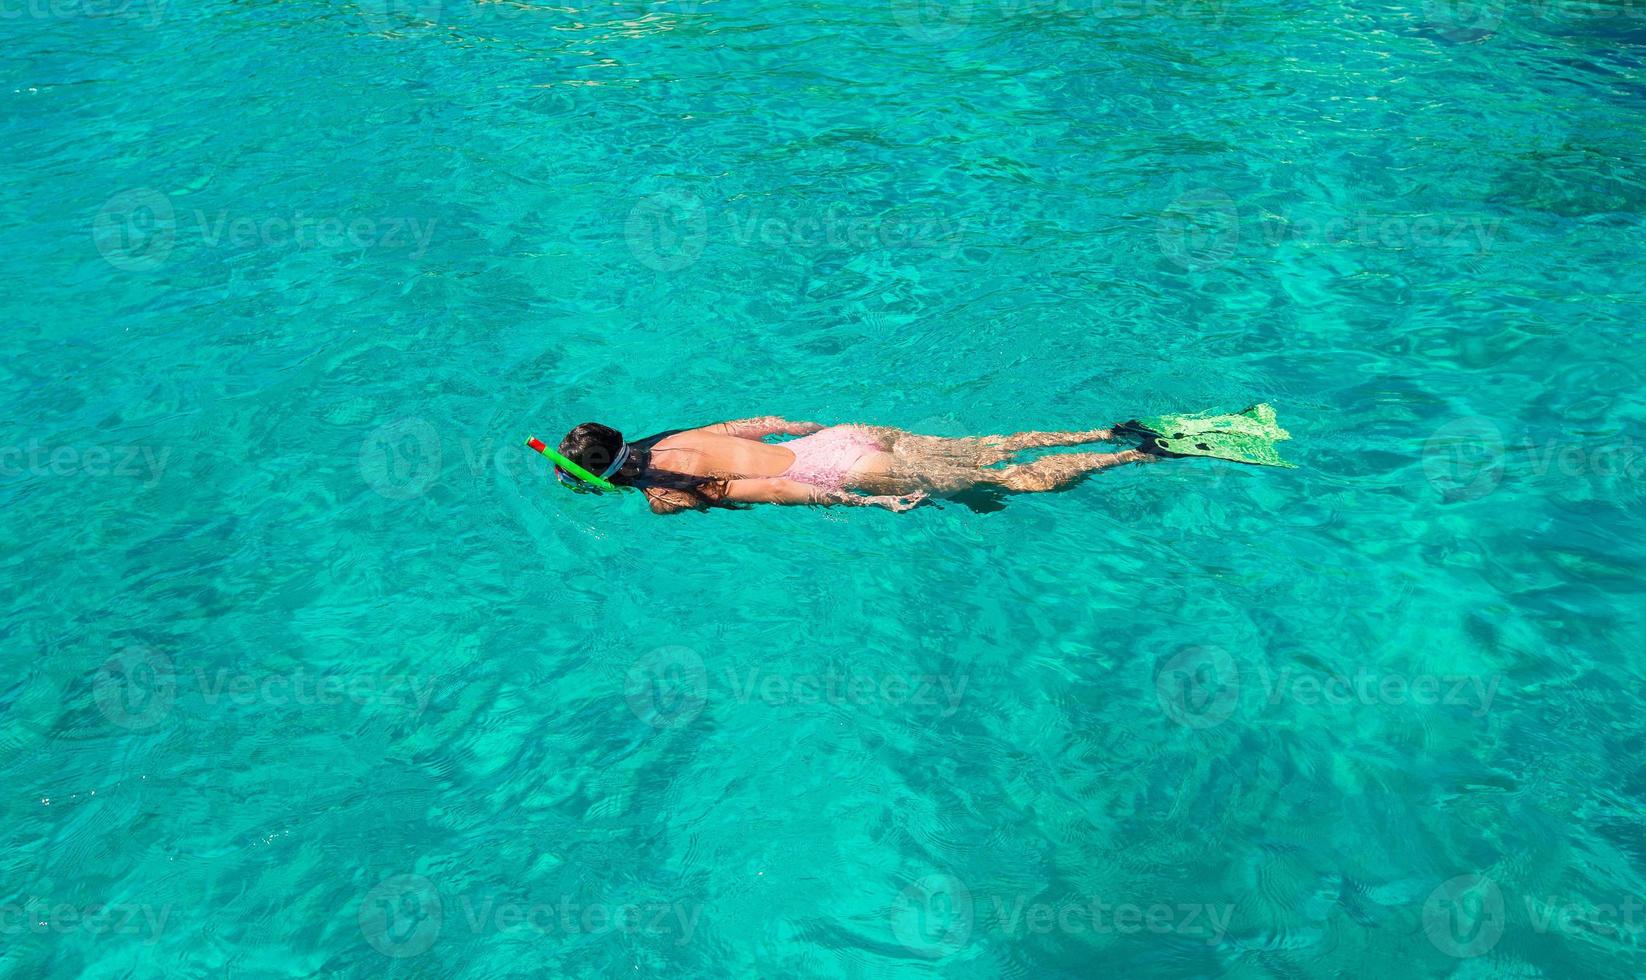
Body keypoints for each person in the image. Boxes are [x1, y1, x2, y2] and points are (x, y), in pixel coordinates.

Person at [548, 417, 1155, 515]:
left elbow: (771, 488)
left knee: (1001, 482)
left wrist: (863, 501)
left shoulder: (665, 495)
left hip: (844, 473)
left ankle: (1134, 454)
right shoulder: (675, 434)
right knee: (979, 450)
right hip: (844, 437)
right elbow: (754, 425)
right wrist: (814, 428)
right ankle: (1104, 431)